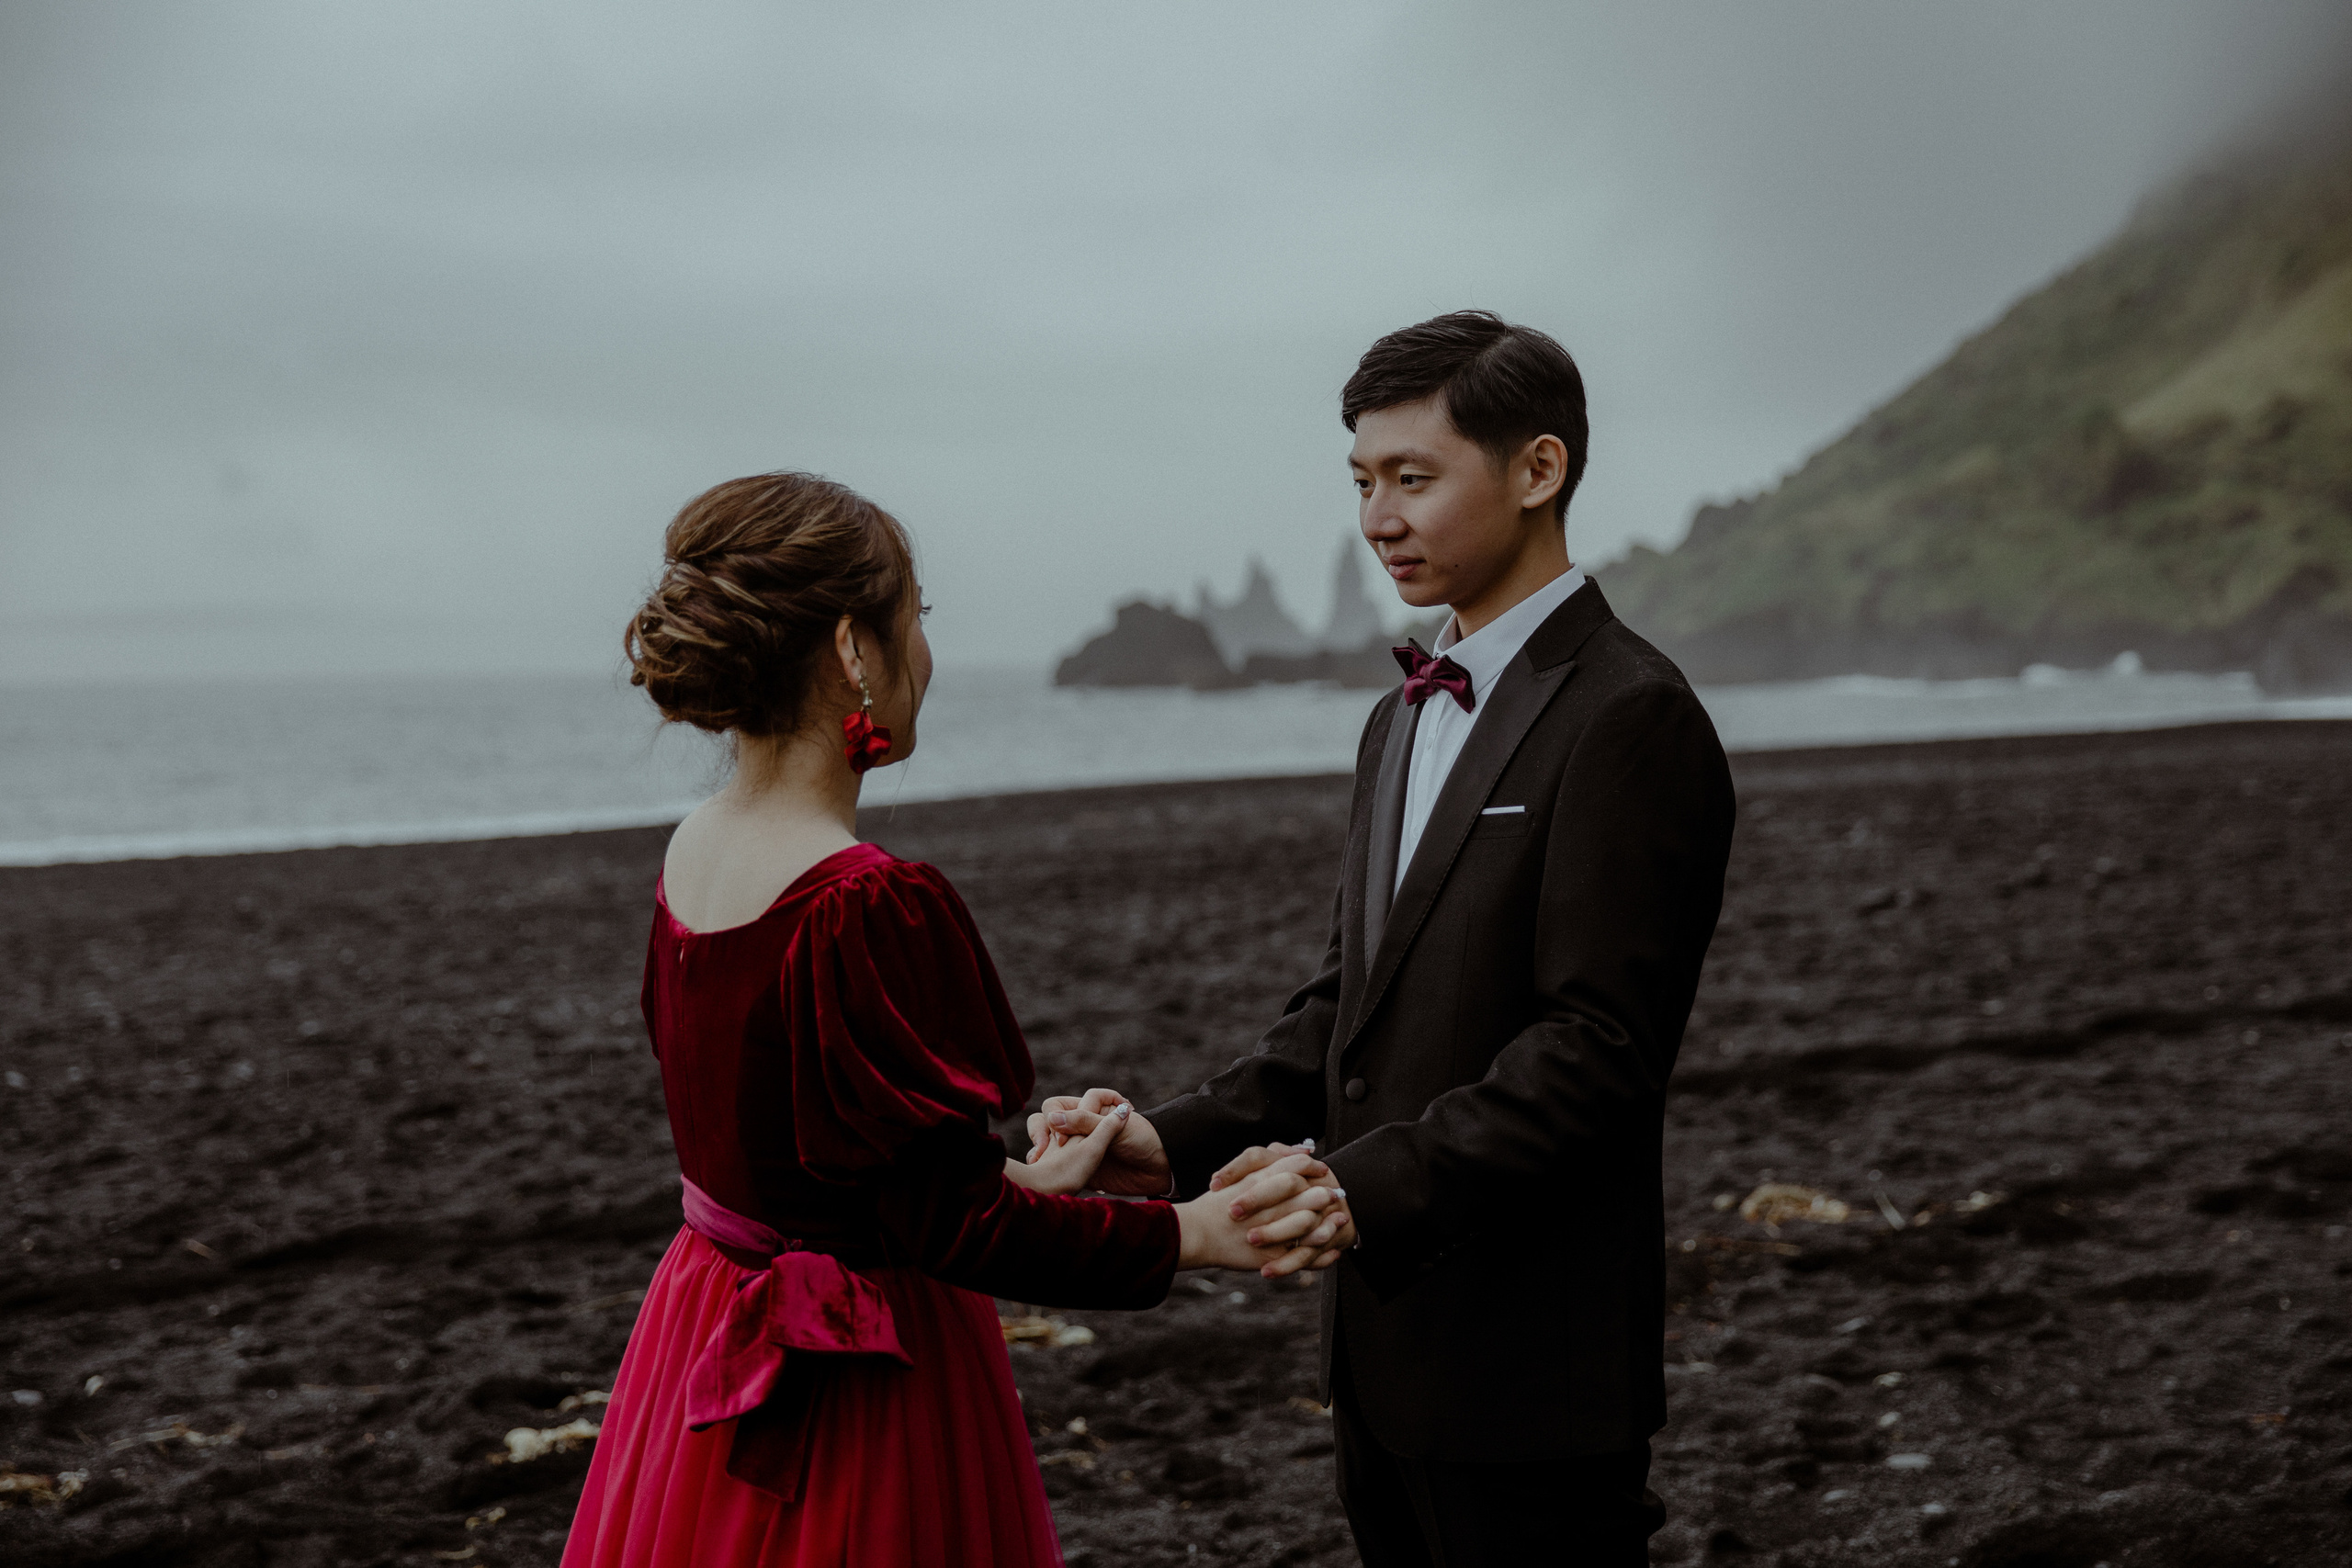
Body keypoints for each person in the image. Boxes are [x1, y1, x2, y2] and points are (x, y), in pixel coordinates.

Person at [1028, 311, 1738, 1565]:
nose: (1377, 517)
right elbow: (1344, 1008)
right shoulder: (1398, 717)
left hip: (1534, 1362)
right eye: (1361, 481)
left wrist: (1356, 1190)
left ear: (1537, 470)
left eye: (1413, 476)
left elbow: (1597, 1050)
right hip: (1381, 1351)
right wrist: (1162, 1142)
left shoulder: (1634, 715)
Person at [560, 472, 1354, 1568]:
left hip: (701, 1325)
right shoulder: (863, 901)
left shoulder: (694, 848)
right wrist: (1198, 1232)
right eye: (915, 620)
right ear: (852, 649)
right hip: (852, 1374)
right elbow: (951, 1232)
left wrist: (1019, 1183)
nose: (925, 655)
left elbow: (829, 1175)